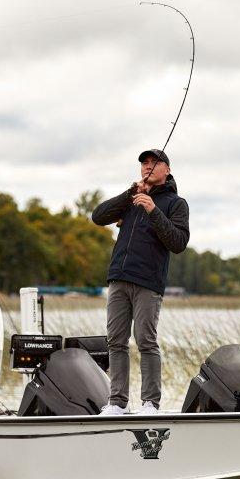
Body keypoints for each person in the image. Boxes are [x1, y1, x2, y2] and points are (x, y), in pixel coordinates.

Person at [91, 149, 190, 415]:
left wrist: (153, 210)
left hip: (148, 282)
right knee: (116, 341)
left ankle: (150, 403)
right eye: (144, 163)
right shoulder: (130, 199)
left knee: (146, 340)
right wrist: (130, 194)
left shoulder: (176, 204)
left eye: (154, 163)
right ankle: (117, 403)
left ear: (167, 170)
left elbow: (178, 243)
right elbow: (98, 216)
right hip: (119, 279)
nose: (148, 167)